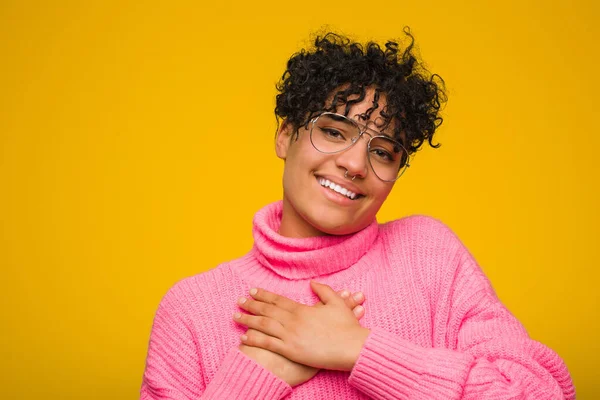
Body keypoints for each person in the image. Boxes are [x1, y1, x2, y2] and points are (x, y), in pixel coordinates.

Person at [140, 29, 575, 399]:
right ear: (285, 136)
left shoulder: (430, 257)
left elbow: (539, 390)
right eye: (333, 130)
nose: (354, 164)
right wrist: (254, 375)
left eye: (383, 151)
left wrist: (359, 349)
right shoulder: (191, 309)